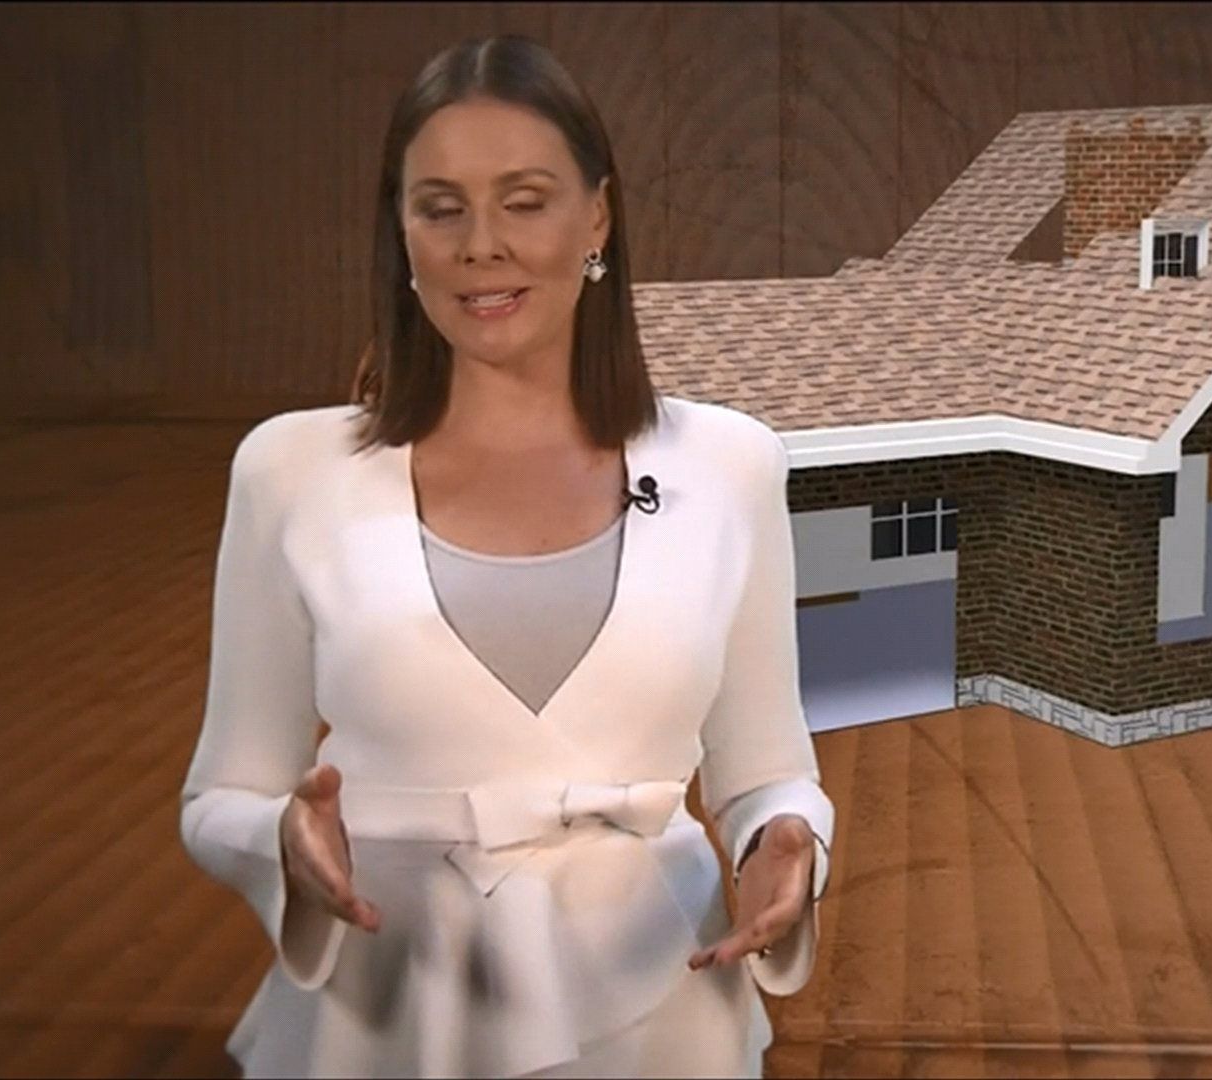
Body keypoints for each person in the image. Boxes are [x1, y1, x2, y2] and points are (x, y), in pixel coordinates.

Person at [178, 34, 834, 1078]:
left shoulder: (731, 465)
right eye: (441, 208)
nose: (481, 244)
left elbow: (766, 773)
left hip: (658, 1011)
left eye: (524, 201)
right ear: (401, 233)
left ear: (598, 217)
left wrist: (785, 843)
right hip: (383, 1021)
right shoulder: (288, 473)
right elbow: (222, 795)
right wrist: (285, 848)